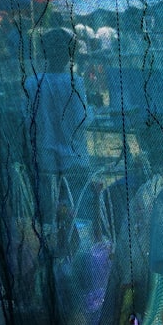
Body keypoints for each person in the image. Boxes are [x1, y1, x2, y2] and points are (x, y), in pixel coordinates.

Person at [24, 27, 94, 238]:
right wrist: (94, 112)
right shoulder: (74, 83)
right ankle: (75, 259)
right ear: (69, 55)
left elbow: (27, 119)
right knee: (77, 215)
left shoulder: (32, 83)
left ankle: (52, 254)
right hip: (74, 159)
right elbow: (82, 119)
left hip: (44, 161)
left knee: (48, 218)